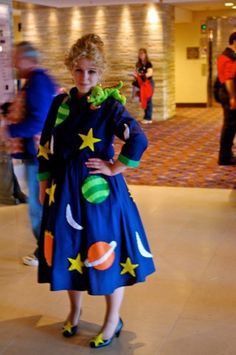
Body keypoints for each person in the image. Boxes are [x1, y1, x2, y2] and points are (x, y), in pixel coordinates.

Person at [37, 33, 155, 349]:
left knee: (107, 255)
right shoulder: (59, 103)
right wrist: (43, 182)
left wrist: (116, 168)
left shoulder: (109, 105)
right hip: (63, 191)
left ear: (100, 73)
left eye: (91, 71)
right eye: (79, 70)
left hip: (99, 193)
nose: (84, 77)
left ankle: (112, 319)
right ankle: (74, 312)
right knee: (68, 250)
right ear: (71, 69)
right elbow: (45, 145)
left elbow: (138, 138)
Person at [4, 41, 57, 265]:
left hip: (37, 156)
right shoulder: (36, 81)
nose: (13, 62)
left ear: (28, 59)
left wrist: (8, 129)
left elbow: (37, 120)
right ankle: (48, 249)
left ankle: (44, 252)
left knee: (38, 207)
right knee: (39, 205)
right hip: (35, 155)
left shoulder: (37, 82)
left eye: (17, 58)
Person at [217, 32, 236, 165]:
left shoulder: (231, 56)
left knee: (231, 126)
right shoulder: (227, 57)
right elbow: (229, 79)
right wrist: (233, 98)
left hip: (231, 94)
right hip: (230, 94)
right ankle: (224, 158)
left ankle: (227, 154)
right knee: (229, 126)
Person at [132, 48, 154, 124]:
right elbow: (136, 73)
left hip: (148, 83)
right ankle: (146, 117)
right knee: (143, 99)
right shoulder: (138, 64)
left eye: (142, 53)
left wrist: (143, 75)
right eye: (139, 53)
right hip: (141, 84)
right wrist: (135, 75)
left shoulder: (148, 63)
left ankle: (148, 118)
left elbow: (150, 73)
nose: (140, 55)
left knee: (148, 99)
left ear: (145, 54)